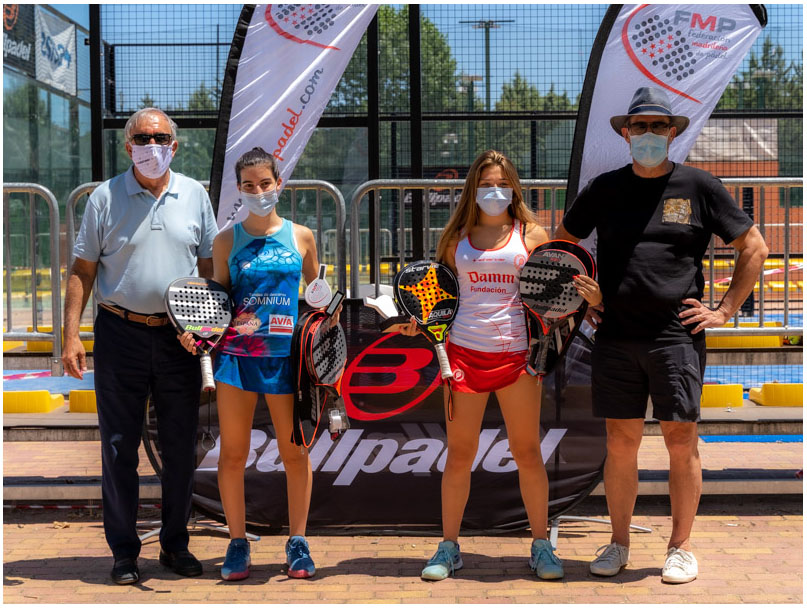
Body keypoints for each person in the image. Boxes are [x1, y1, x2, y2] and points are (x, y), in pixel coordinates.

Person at [555, 87, 769, 584]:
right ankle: (619, 544)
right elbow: (562, 246)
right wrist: (585, 299)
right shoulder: (605, 188)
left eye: (657, 126)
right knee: (620, 442)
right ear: (625, 134)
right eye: (639, 127)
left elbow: (754, 247)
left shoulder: (699, 185)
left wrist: (724, 310)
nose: (648, 134)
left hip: (676, 337)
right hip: (615, 336)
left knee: (680, 440)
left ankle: (681, 547)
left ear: (672, 133)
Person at [400, 150, 602, 581]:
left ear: (514, 188)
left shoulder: (532, 235)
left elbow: (555, 296)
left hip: (518, 359)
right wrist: (421, 323)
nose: (495, 192)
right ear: (473, 189)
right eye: (487, 184)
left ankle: (541, 545)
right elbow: (441, 297)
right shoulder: (455, 238)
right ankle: (449, 547)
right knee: (459, 455)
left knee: (527, 452)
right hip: (462, 357)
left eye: (502, 184)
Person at [62, 108, 219, 584]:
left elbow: (209, 267)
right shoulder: (104, 197)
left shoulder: (194, 194)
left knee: (179, 446)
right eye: (143, 138)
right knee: (118, 448)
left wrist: (207, 329)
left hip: (179, 338)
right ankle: (124, 552)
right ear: (128, 145)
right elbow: (82, 270)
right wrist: (70, 335)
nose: (153, 145)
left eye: (161, 137)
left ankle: (175, 544)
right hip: (119, 333)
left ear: (175, 144)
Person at [178, 147, 328, 581]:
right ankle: (238, 542)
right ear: (239, 190)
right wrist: (197, 332)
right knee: (233, 455)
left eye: (265, 183)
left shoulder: (302, 236)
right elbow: (217, 300)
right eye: (249, 185)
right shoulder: (226, 240)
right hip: (236, 360)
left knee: (295, 453)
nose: (258, 191)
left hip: (287, 362)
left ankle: (298, 542)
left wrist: (327, 319)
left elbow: (318, 297)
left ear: (279, 184)